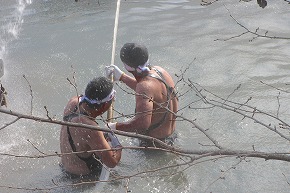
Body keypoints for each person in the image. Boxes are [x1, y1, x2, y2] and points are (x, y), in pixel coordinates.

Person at [105, 43, 178, 147]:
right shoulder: (159, 71)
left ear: (127, 67)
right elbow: (151, 92)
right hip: (171, 137)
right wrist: (122, 77)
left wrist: (114, 127)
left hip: (154, 146)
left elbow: (142, 125)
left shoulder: (144, 87)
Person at [60, 76, 122, 178]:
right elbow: (112, 162)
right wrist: (117, 144)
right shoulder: (91, 128)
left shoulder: (73, 102)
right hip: (82, 180)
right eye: (113, 99)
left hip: (65, 168)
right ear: (104, 105)